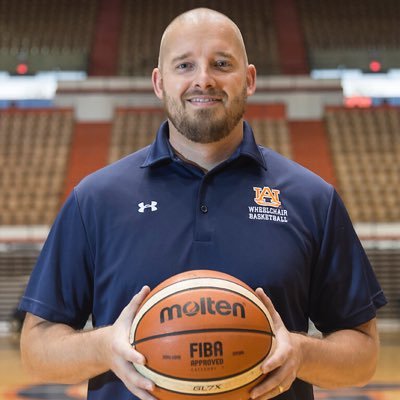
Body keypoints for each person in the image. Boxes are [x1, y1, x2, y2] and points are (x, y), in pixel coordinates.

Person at [19, 7, 386, 400]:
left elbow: (363, 355)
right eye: (184, 65)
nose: (204, 79)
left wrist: (302, 353)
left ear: (249, 79)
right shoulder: (95, 199)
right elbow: (36, 347)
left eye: (221, 63)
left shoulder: (312, 199)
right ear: (159, 83)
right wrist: (103, 346)